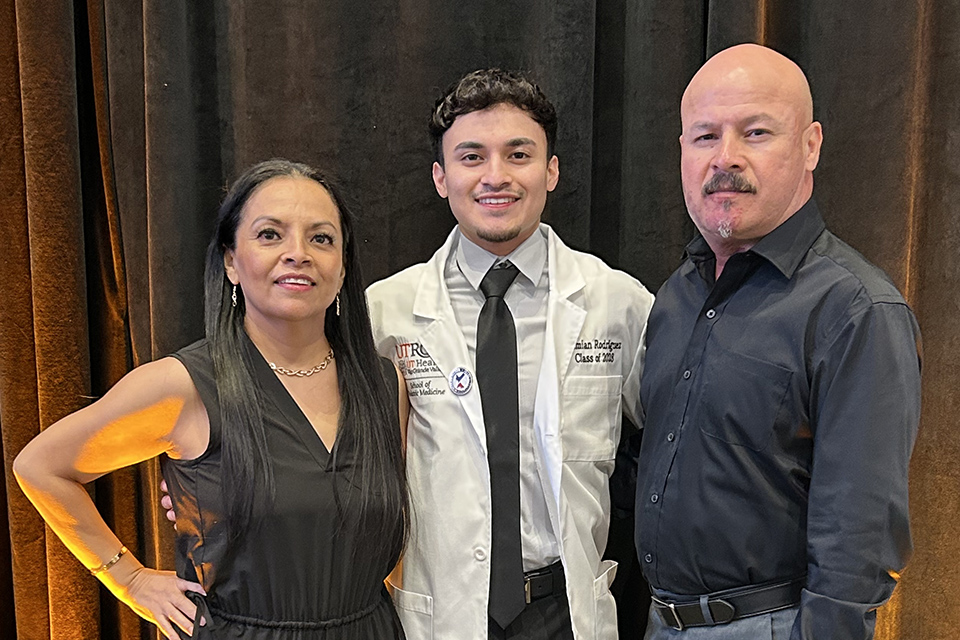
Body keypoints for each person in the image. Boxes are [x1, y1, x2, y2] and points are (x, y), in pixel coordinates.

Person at [14, 159, 409, 639]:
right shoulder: (182, 386)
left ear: (343, 267)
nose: (297, 253)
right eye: (270, 235)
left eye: (321, 238)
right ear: (230, 261)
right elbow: (40, 466)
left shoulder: (384, 386)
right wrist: (127, 577)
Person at [635, 44, 922, 639]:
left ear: (811, 145)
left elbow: (858, 536)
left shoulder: (855, 309)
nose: (726, 158)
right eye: (705, 136)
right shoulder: (676, 296)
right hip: (661, 621)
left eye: (756, 132)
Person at [366, 69, 655, 640]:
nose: (495, 176)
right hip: (438, 612)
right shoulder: (387, 311)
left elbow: (678, 442)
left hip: (563, 611)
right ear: (440, 177)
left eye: (518, 154)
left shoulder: (615, 302)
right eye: (471, 157)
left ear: (551, 171)